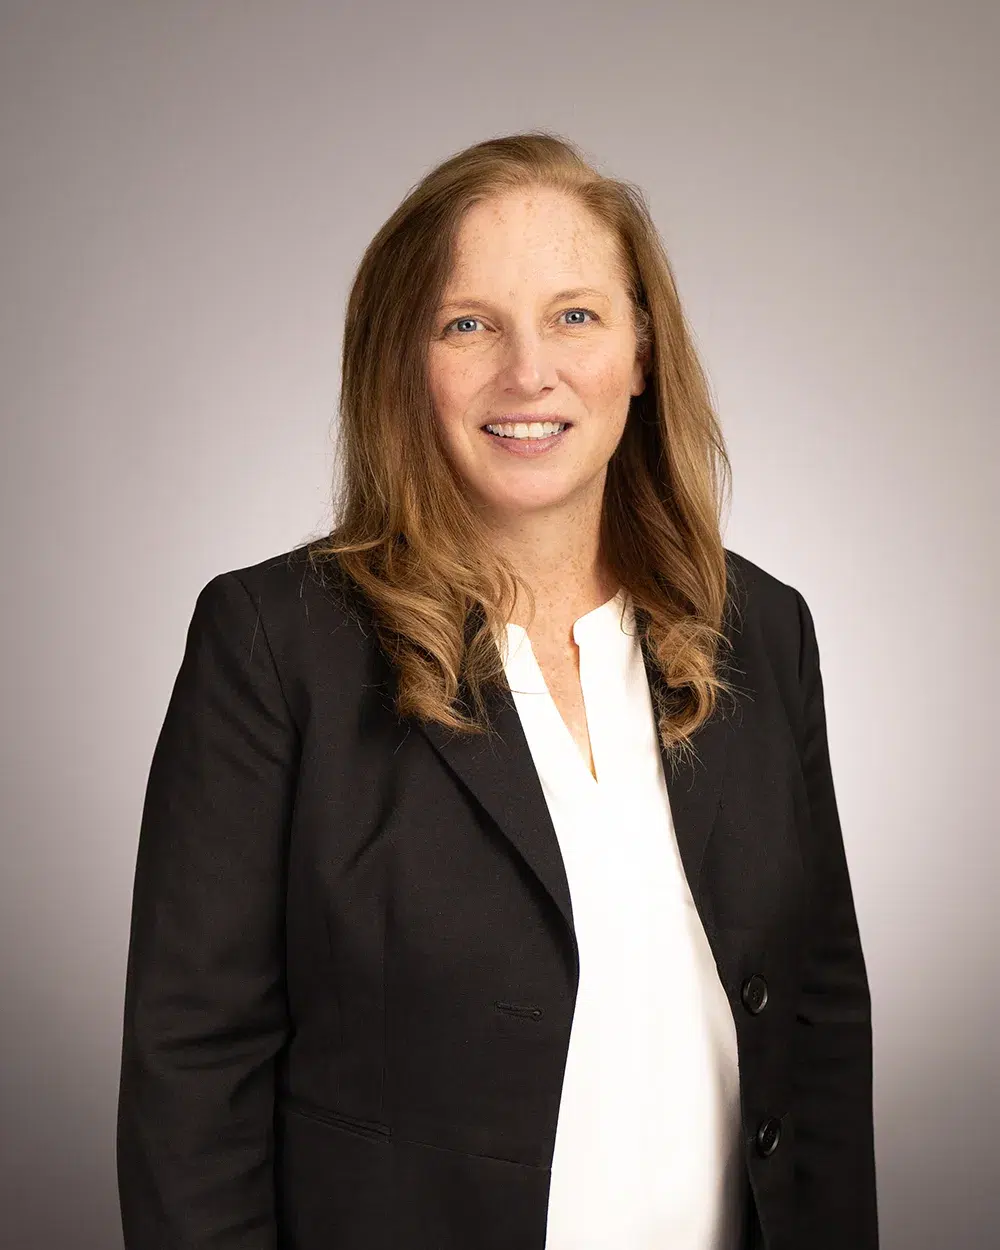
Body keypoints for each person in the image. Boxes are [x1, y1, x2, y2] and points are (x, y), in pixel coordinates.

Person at [116, 131, 878, 1250]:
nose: (530, 372)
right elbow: (194, 1064)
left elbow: (818, 1015)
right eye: (468, 322)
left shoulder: (763, 628)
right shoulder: (277, 643)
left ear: (641, 351)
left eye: (575, 315)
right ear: (403, 358)